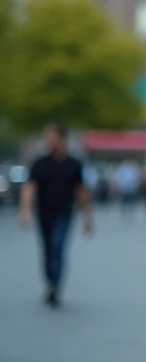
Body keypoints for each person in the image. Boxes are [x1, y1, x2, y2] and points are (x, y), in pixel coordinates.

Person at [19, 123, 94, 307]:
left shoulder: (73, 164)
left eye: (51, 137)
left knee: (58, 245)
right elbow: (29, 187)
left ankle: (56, 286)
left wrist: (88, 218)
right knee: (47, 249)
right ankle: (50, 281)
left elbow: (81, 191)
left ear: (62, 139)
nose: (48, 141)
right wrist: (25, 211)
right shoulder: (40, 163)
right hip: (44, 212)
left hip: (64, 212)